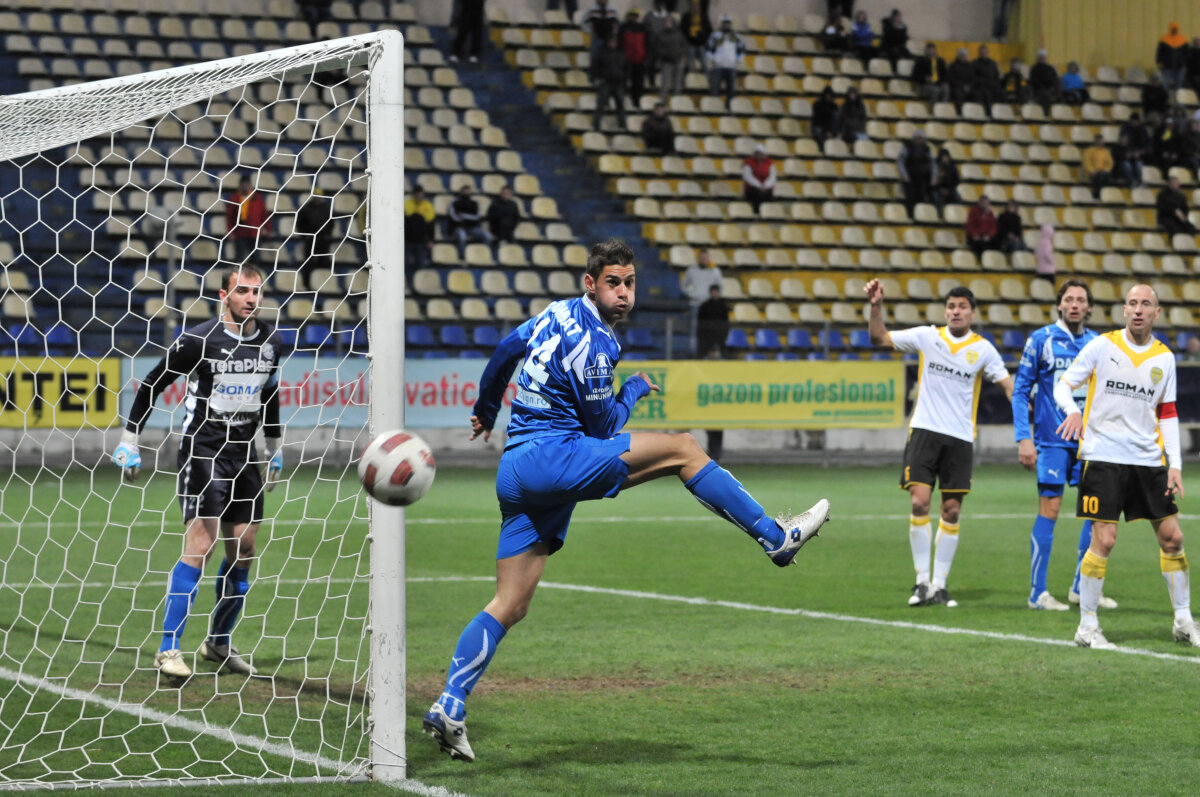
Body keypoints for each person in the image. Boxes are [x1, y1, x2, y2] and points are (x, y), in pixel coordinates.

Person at [421, 239, 832, 762]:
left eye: (630, 283)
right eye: (613, 283)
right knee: (684, 449)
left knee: (511, 603)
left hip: (516, 468)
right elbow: (604, 429)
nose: (624, 293)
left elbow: (505, 351)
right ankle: (776, 538)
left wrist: (485, 407)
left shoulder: (554, 312)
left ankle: (450, 705)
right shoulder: (597, 343)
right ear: (590, 284)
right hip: (555, 458)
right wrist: (633, 389)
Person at [112, 265, 283, 678]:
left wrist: (274, 448)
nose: (251, 298)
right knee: (201, 545)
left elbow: (270, 392)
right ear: (224, 295)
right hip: (204, 451)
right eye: (242, 291)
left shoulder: (272, 341)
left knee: (244, 549)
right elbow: (153, 383)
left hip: (245, 455)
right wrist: (129, 440)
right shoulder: (198, 340)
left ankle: (218, 643)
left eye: (256, 291)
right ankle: (168, 649)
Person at [1054, 284, 1198, 650]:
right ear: (1124, 310)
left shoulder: (1164, 358)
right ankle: (1087, 627)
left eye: (1145, 304)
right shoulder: (1102, 346)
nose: (1138, 309)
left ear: (1156, 313)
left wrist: (1175, 464)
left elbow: (1168, 412)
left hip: (1148, 460)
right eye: (1132, 303)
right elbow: (1063, 386)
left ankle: (1184, 621)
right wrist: (1072, 411)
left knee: (1173, 538)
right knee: (1104, 539)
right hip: (1103, 457)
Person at [864, 280, 1014, 608]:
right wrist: (876, 306)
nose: (955, 311)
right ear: (945, 311)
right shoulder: (928, 336)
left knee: (952, 510)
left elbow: (1007, 385)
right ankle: (921, 583)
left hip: (960, 438)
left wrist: (1025, 422)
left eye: (962, 307)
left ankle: (940, 585)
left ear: (972, 313)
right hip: (924, 431)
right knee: (919, 503)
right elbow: (880, 338)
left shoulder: (984, 350)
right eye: (951, 306)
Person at [1012, 280, 1110, 611]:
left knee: (1096, 512)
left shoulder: (1098, 343)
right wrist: (1024, 437)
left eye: (1081, 300)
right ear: (1059, 305)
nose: (1074, 305)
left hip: (1089, 444)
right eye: (1069, 299)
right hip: (1051, 441)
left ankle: (1082, 588)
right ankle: (1037, 593)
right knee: (1050, 510)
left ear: (1089, 307)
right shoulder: (1041, 340)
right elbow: (1020, 391)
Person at [223, 175, 271, 267]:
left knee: (255, 259)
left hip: (255, 233)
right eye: (243, 184)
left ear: (250, 185)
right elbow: (230, 217)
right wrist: (230, 231)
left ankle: (254, 275)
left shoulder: (257, 198)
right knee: (239, 259)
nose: (245, 186)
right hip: (240, 234)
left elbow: (264, 215)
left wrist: (268, 229)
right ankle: (238, 275)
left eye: (247, 184)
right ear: (240, 186)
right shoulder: (235, 198)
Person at [681, 247, 722, 355]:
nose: (704, 260)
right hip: (695, 304)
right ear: (698, 258)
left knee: (711, 330)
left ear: (709, 258)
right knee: (694, 330)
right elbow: (684, 285)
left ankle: (709, 353)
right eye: (702, 258)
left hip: (710, 306)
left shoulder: (715, 271)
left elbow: (720, 287)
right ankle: (693, 353)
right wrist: (691, 294)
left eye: (706, 258)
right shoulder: (691, 270)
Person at [293, 188, 335, 290]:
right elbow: (299, 224)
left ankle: (324, 285)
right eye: (316, 196)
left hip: (323, 240)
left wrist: (328, 235)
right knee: (308, 263)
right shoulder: (305, 208)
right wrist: (305, 236)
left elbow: (331, 223)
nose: (318, 198)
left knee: (324, 263)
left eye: (320, 196)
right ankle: (307, 285)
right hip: (310, 240)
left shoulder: (326, 208)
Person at [706, 14, 744, 108]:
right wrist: (714, 59)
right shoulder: (715, 35)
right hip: (718, 66)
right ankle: (714, 107)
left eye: (728, 23)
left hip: (731, 67)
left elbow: (741, 50)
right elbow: (708, 49)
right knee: (715, 88)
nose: (726, 25)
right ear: (722, 24)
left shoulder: (736, 36)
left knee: (731, 90)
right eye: (725, 23)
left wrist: (737, 60)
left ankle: (729, 108)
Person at [591, 35, 629, 130]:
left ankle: (623, 125)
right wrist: (599, 77)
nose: (613, 43)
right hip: (606, 82)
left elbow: (627, 68)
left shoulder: (621, 54)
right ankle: (596, 124)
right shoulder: (602, 53)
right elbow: (595, 66)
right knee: (601, 104)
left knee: (620, 105)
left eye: (614, 42)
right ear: (608, 42)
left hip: (618, 83)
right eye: (611, 41)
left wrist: (624, 78)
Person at [898, 129, 934, 218]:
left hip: (922, 178)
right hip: (910, 178)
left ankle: (920, 216)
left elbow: (932, 163)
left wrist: (933, 177)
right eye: (918, 138)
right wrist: (904, 175)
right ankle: (910, 216)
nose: (919, 140)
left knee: (921, 198)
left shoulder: (927, 149)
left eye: (921, 138)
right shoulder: (908, 148)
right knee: (910, 198)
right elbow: (901, 161)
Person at [448, 184, 492, 255]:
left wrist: (464, 216)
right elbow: (454, 217)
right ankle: (462, 257)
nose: (467, 192)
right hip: (458, 227)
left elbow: (477, 217)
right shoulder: (454, 202)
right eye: (465, 191)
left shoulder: (474, 202)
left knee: (487, 236)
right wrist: (464, 218)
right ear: (461, 192)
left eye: (468, 191)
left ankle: (486, 255)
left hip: (472, 228)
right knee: (462, 236)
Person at [618, 8, 648, 109]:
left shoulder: (642, 28)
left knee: (638, 84)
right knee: (623, 83)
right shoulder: (623, 27)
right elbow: (620, 44)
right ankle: (621, 103)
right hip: (626, 61)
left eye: (635, 16)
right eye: (632, 15)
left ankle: (636, 103)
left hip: (639, 61)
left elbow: (646, 44)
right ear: (629, 16)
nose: (634, 17)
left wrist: (644, 57)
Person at [655, 14, 689, 103]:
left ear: (673, 22)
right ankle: (662, 103)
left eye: (670, 21)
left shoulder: (679, 33)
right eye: (666, 21)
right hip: (666, 62)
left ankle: (676, 104)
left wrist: (681, 53)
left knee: (677, 84)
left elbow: (684, 45)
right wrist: (666, 55)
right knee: (665, 84)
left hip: (678, 61)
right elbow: (658, 48)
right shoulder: (660, 34)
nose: (668, 23)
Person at [404, 185, 436, 274]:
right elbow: (406, 221)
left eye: (421, 193)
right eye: (417, 193)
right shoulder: (407, 204)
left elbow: (431, 224)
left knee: (421, 264)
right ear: (414, 194)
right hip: (408, 240)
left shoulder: (428, 206)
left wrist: (431, 240)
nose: (419, 195)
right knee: (404, 264)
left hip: (422, 241)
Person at [695, 283, 729, 360]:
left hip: (720, 334)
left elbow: (726, 322)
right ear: (710, 293)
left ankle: (719, 355)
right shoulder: (704, 306)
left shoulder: (723, 306)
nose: (715, 294)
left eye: (716, 292)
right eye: (713, 292)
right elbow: (700, 322)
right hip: (707, 334)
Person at [741, 143, 777, 214]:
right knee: (758, 194)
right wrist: (759, 185)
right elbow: (747, 177)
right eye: (757, 154)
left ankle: (769, 213)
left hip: (766, 187)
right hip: (752, 188)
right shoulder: (748, 162)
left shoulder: (770, 163)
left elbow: (772, 177)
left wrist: (765, 185)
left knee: (769, 195)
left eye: (761, 154)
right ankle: (756, 213)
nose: (759, 156)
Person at [679, 0, 712, 75]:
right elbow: (682, 29)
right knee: (690, 62)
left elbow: (709, 30)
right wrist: (686, 40)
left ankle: (707, 78)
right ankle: (691, 77)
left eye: (697, 5)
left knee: (704, 62)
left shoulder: (703, 16)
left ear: (699, 7)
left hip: (701, 44)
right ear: (691, 6)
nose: (695, 7)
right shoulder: (686, 16)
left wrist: (705, 40)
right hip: (690, 44)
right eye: (693, 5)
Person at [1156, 21, 1189, 94]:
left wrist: (1185, 63)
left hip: (1180, 66)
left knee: (1179, 85)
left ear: (1178, 29)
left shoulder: (1183, 39)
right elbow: (1159, 52)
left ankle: (1178, 100)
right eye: (1173, 29)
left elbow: (1187, 53)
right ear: (1170, 29)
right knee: (1166, 84)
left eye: (1175, 29)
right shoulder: (1164, 39)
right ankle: (1164, 99)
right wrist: (1159, 62)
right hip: (1167, 66)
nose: (1174, 30)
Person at [1119, 114, 1150, 187]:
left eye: (1136, 121)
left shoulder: (1142, 130)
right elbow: (1120, 151)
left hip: (1138, 158)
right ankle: (1132, 182)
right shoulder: (1125, 129)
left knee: (1139, 165)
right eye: (1133, 121)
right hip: (1126, 159)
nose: (1135, 123)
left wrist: (1140, 152)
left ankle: (1140, 182)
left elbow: (1147, 146)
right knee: (1127, 166)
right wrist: (1127, 154)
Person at [972, 44, 1003, 114]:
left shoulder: (993, 63)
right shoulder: (975, 63)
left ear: (988, 52)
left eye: (985, 52)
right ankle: (988, 114)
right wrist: (982, 82)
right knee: (986, 94)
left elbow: (997, 76)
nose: (984, 54)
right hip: (980, 86)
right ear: (979, 53)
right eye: (982, 52)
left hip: (992, 86)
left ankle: (1001, 113)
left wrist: (994, 84)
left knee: (1002, 93)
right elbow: (974, 77)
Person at [1082, 134, 1114, 199]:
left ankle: (1102, 195)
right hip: (1092, 173)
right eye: (1098, 141)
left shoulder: (1106, 151)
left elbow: (1110, 163)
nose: (1100, 143)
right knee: (1099, 177)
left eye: (1101, 141)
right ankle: (1098, 196)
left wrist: (1106, 170)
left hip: (1103, 172)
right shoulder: (1089, 151)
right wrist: (1092, 171)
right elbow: (1087, 163)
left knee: (1106, 176)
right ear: (1095, 141)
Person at [932, 147, 960, 217]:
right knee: (936, 197)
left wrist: (949, 190)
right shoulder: (936, 167)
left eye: (946, 157)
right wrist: (940, 189)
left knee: (958, 198)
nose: (945, 158)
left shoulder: (953, 167)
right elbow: (934, 182)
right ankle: (938, 215)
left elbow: (956, 180)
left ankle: (957, 215)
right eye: (943, 157)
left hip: (950, 189)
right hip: (938, 189)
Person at [946, 47, 975, 113]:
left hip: (969, 87)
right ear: (958, 56)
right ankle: (960, 113)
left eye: (965, 55)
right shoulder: (953, 66)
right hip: (957, 87)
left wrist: (969, 86)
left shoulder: (970, 66)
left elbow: (973, 79)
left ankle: (974, 113)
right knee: (958, 95)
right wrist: (962, 86)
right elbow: (951, 79)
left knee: (976, 94)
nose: (963, 57)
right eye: (962, 55)